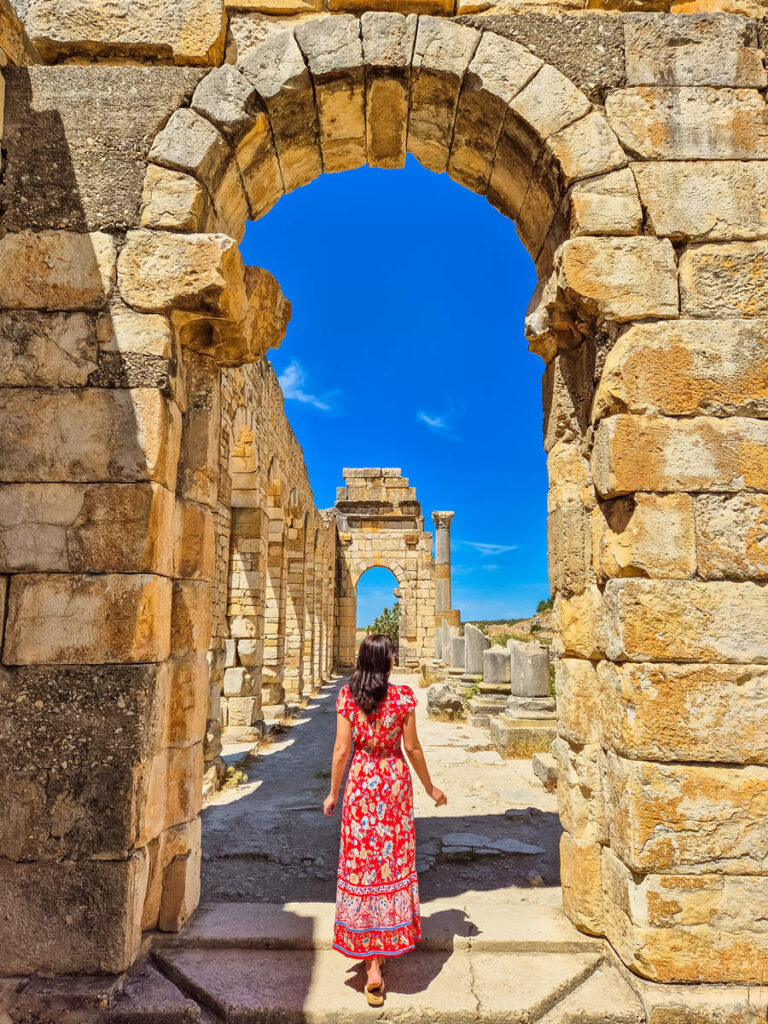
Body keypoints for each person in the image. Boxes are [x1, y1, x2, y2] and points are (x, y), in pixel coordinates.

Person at [323, 633, 447, 1006]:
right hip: (392, 786)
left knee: (362, 867)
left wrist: (333, 792)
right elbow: (411, 747)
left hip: (362, 788)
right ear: (387, 661)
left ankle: (369, 962)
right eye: (392, 655)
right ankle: (380, 955)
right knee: (389, 866)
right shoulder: (403, 697)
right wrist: (430, 787)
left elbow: (343, 750)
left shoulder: (348, 698)